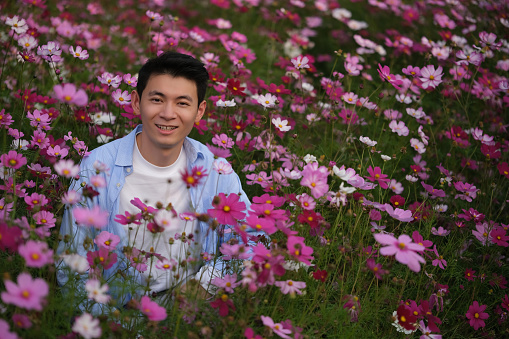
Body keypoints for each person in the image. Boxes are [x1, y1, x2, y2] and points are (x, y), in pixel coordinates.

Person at [57, 52, 257, 310]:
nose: (168, 113)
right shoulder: (97, 168)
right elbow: (71, 265)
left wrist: (204, 283)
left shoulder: (216, 171)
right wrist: (115, 326)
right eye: (157, 99)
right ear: (137, 102)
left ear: (200, 111)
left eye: (183, 103)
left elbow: (252, 240)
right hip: (113, 315)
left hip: (186, 318)